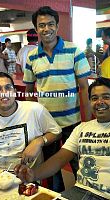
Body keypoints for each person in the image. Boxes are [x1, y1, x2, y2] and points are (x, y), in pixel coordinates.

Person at [15, 77, 110, 200]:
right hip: (79, 191)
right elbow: (59, 159)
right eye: (94, 98)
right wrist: (34, 174)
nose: (99, 102)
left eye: (106, 97)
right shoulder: (82, 128)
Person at [23, 6, 91, 192]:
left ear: (57, 25)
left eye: (50, 24)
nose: (47, 29)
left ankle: (84, 195)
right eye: (41, 25)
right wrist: (33, 122)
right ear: (36, 29)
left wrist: (89, 123)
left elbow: (84, 88)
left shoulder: (74, 51)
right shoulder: (31, 57)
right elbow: (29, 92)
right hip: (47, 126)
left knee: (81, 166)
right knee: (50, 170)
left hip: (73, 124)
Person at [0, 72, 61, 170]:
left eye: (8, 88)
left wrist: (39, 141)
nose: (4, 93)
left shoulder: (34, 110)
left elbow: (57, 132)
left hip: (29, 176)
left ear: (15, 92)